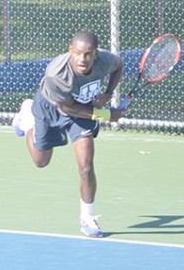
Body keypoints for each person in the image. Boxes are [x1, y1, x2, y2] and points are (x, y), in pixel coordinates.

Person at [12, 30, 125, 238]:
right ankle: (27, 116)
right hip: (52, 107)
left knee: (86, 166)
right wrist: (107, 114)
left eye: (88, 54)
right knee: (41, 161)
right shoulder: (57, 74)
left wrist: (108, 94)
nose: (83, 59)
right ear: (70, 51)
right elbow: (68, 109)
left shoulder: (104, 61)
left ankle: (87, 218)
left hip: (82, 112)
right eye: (78, 53)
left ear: (96, 54)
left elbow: (118, 65)